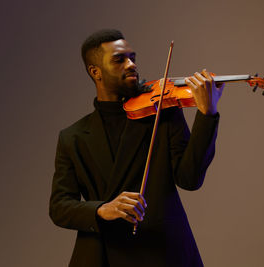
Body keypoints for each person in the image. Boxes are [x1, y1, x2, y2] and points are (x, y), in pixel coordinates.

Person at [49, 29, 224, 267]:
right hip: (103, 255)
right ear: (95, 72)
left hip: (163, 252)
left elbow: (189, 179)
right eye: (119, 59)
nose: (131, 64)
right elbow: (59, 207)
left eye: (133, 57)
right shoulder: (73, 137)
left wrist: (207, 114)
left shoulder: (162, 111)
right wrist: (102, 210)